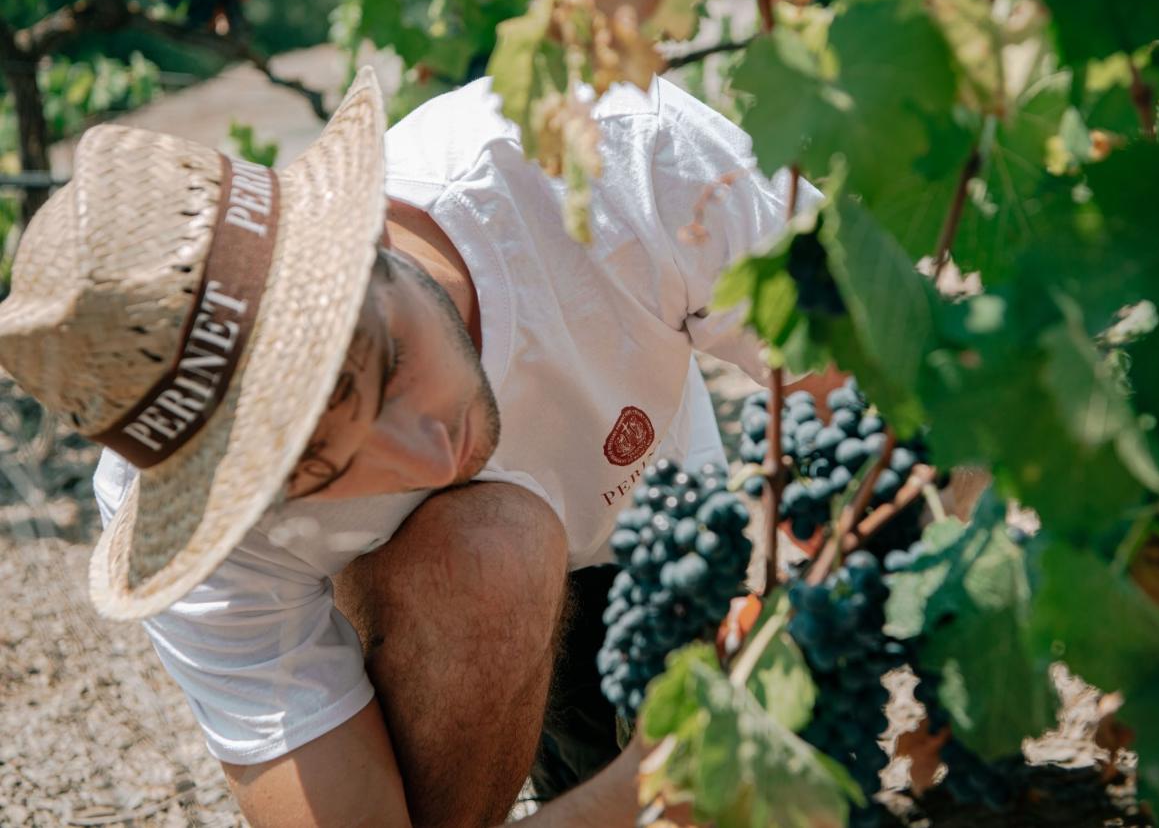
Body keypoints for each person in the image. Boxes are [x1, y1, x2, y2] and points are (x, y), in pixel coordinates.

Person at [0, 65, 821, 826]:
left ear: (364, 232)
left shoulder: (611, 158)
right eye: (324, 471)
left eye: (385, 368)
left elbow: (902, 393)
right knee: (493, 541)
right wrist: (641, 788)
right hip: (461, 623)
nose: (430, 459)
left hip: (669, 552)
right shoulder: (209, 528)